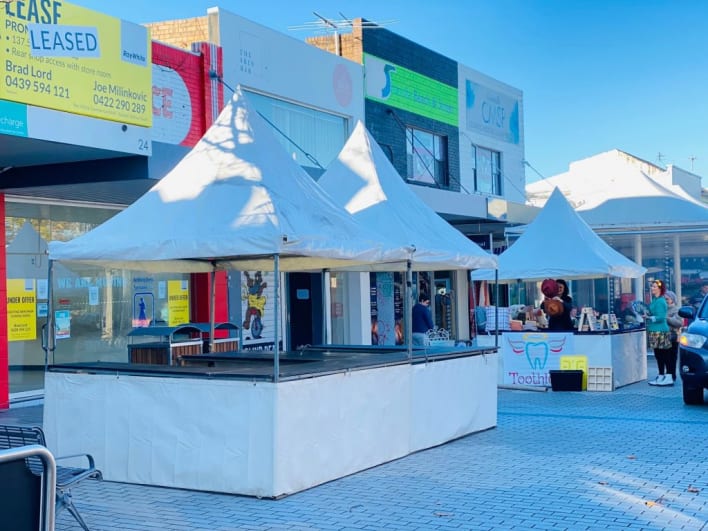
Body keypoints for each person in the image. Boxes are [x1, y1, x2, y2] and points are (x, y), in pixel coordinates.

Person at [646, 280, 673, 386]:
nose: (652, 288)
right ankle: (661, 375)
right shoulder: (655, 300)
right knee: (658, 355)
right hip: (654, 330)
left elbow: (661, 317)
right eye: (652, 286)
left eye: (654, 286)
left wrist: (649, 317)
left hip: (660, 331)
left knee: (665, 355)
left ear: (660, 289)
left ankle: (669, 376)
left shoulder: (661, 301)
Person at [664, 290, 683, 383]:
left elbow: (679, 323)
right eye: (664, 299)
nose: (665, 301)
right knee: (663, 357)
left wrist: (666, 318)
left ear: (672, 300)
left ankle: (671, 375)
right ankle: (666, 374)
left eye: (667, 299)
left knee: (671, 357)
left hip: (673, 336)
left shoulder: (677, 310)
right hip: (661, 336)